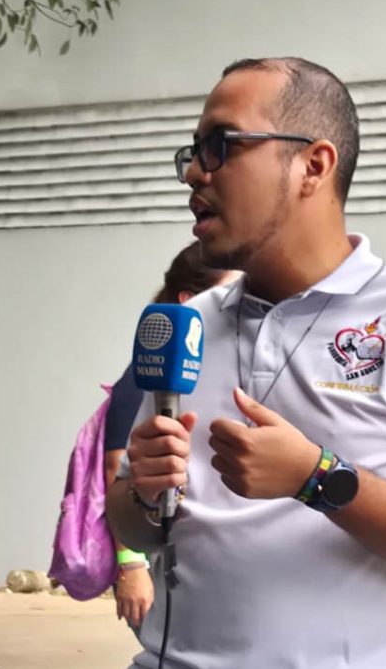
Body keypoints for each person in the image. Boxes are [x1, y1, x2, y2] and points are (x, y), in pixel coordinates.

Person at [106, 57, 386, 668]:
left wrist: (315, 478)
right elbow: (131, 522)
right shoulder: (192, 324)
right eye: (192, 151)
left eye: (220, 145)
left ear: (313, 166)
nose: (194, 171)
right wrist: (142, 491)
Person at [103, 241, 239, 629]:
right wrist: (132, 565)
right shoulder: (149, 380)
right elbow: (117, 466)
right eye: (230, 291)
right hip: (154, 565)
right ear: (189, 301)